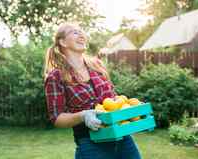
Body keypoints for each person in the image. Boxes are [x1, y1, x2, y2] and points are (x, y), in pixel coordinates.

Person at [44, 22, 142, 159]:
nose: (81, 35)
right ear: (62, 42)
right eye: (74, 32)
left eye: (81, 31)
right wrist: (83, 115)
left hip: (123, 138)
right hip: (91, 145)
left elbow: (113, 99)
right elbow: (57, 118)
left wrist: (129, 106)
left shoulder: (97, 65)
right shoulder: (56, 76)